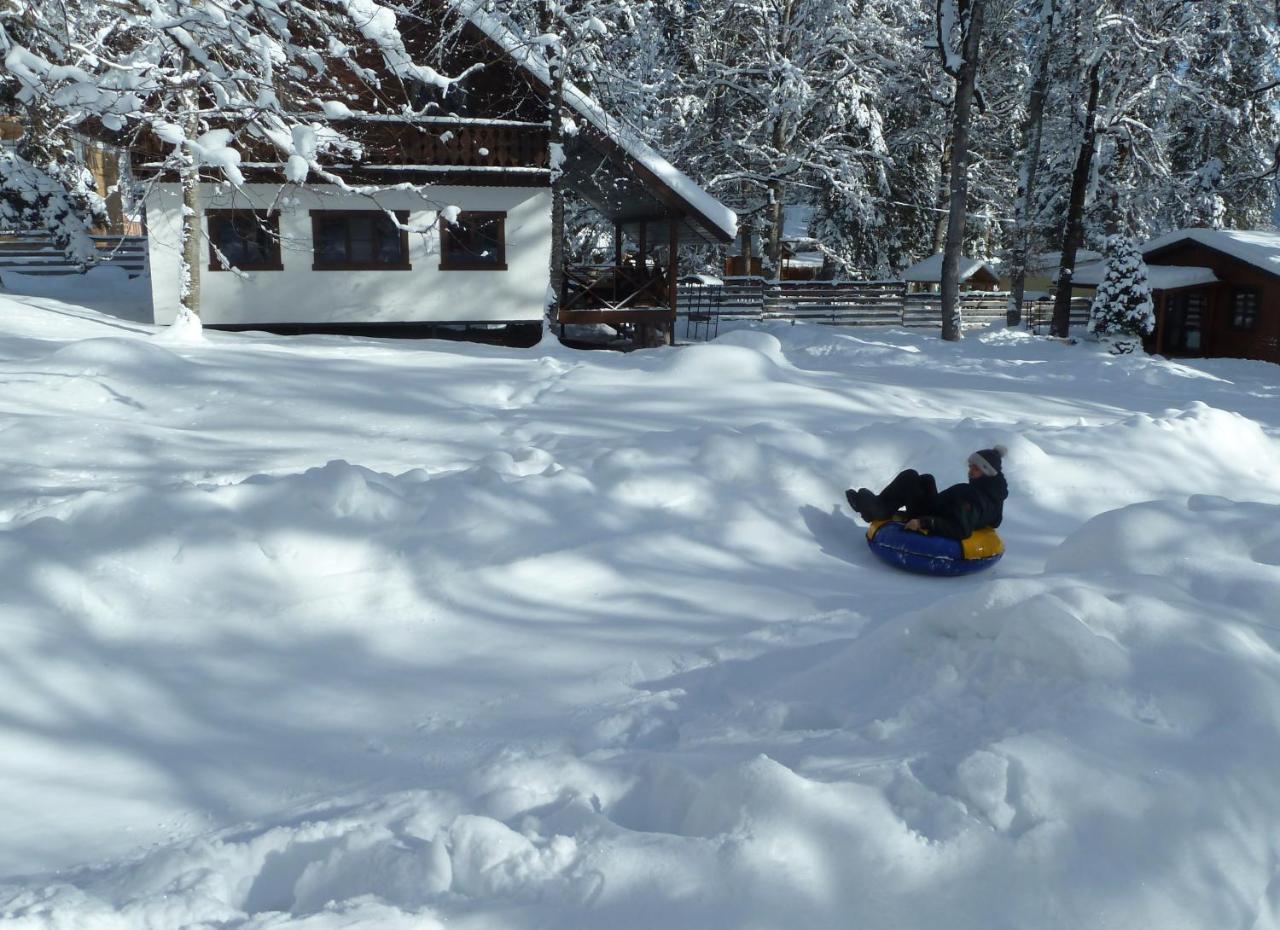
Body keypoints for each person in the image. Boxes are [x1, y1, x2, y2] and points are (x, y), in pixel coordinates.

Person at [846, 446, 1008, 540]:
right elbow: (995, 519)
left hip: (932, 518)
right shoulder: (993, 491)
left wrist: (923, 522)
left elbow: (961, 530)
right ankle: (879, 506)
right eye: (970, 466)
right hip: (941, 509)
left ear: (987, 472)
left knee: (909, 477)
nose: (970, 470)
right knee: (926, 479)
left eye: (976, 468)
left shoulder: (973, 499)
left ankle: (877, 511)